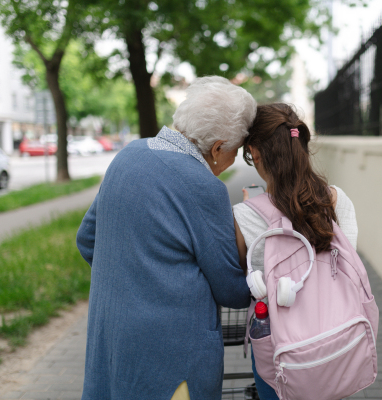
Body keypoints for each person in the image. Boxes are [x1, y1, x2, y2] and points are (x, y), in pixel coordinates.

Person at [76, 76, 255, 400]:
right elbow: (232, 290)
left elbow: (88, 239)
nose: (234, 160)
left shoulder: (127, 155)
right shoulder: (204, 187)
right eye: (236, 150)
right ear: (217, 148)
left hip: (112, 342)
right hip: (172, 355)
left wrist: (136, 278)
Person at [232, 103, 358, 399]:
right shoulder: (338, 201)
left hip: (280, 348)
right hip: (336, 339)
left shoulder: (244, 216)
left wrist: (254, 206)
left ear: (256, 153)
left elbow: (244, 273)